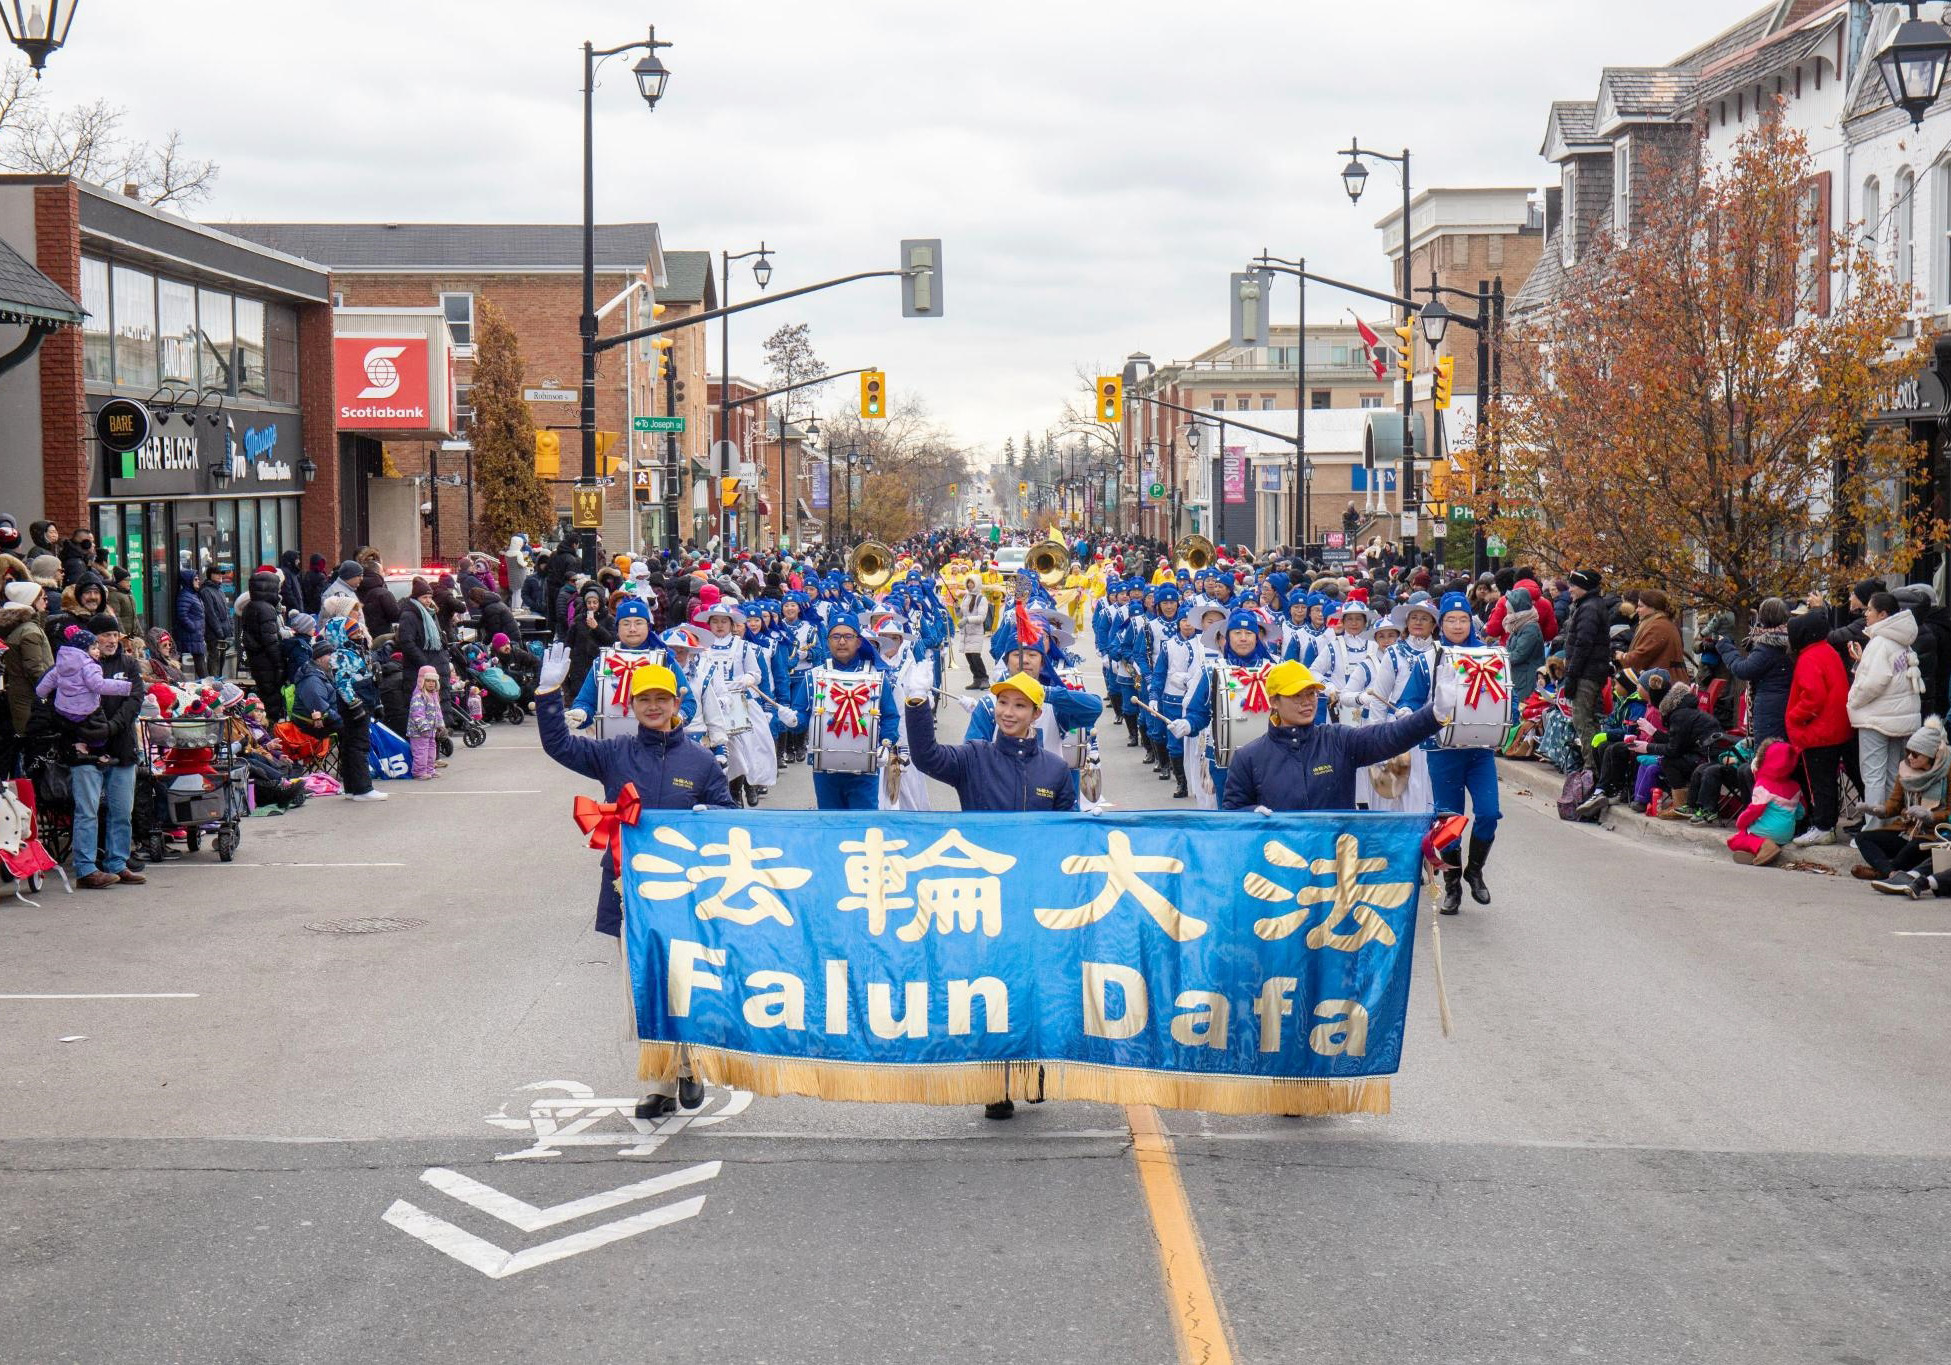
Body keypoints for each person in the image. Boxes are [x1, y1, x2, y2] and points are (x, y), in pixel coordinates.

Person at [535, 641, 736, 1117]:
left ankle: (688, 1065)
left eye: (661, 700)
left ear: (675, 706)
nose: (652, 707)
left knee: (684, 982)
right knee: (643, 985)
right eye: (643, 700)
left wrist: (711, 816)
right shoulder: (615, 753)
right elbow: (559, 745)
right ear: (631, 705)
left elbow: (729, 817)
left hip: (687, 893)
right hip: (628, 889)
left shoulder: (702, 762)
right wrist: (548, 696)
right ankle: (661, 1084)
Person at [903, 667, 1075, 1121]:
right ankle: (995, 1083)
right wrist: (918, 707)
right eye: (1002, 703)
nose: (1008, 712)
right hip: (982, 897)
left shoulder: (1055, 770)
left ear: (1037, 714)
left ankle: (1030, 1068)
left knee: (1031, 988)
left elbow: (1068, 836)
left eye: (1020, 705)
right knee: (988, 990)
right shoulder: (973, 756)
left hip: (1034, 896)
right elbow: (927, 758)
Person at [1221, 660, 1447, 811]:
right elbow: (1232, 813)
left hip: (1335, 864)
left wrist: (1434, 714)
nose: (1306, 702)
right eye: (1296, 695)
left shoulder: (1338, 740)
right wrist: (1252, 813)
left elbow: (1388, 736)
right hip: (1280, 868)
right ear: (1274, 701)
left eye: (1310, 693)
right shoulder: (1249, 757)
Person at [1424, 594, 1504, 913]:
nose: (1457, 625)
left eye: (1462, 619)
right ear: (1441, 624)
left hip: (1479, 750)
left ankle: (1475, 871)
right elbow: (1414, 697)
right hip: (1442, 750)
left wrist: (1502, 725)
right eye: (1450, 620)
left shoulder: (1489, 654)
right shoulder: (1431, 656)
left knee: (1488, 813)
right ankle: (1453, 887)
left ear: (1471, 621)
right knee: (1450, 823)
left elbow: (1504, 694)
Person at [64, 614, 142, 888]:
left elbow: (134, 700)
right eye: (105, 635)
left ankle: (117, 864)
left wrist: (110, 728)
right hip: (86, 748)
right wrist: (89, 731)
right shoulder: (77, 665)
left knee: (121, 810)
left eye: (114, 635)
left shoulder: (129, 664)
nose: (111, 640)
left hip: (121, 745)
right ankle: (86, 869)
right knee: (87, 811)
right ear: (92, 638)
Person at [798, 613, 899, 810]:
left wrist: (886, 744)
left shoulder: (876, 676)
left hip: (864, 769)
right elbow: (801, 716)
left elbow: (890, 716)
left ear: (859, 641)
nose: (842, 642)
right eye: (835, 637)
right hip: (825, 769)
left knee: (864, 825)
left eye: (848, 636)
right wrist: (791, 719)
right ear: (827, 642)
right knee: (830, 822)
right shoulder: (814, 676)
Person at [1847, 591, 1922, 830]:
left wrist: (1853, 700)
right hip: (1899, 719)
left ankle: (1872, 830)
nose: (1865, 614)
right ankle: (1890, 827)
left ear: (1883, 614)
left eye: (1869, 609)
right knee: (1892, 776)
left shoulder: (1880, 642)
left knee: (1873, 777)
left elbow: (1874, 682)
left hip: (1876, 719)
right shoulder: (1903, 641)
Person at [1858, 716, 1951, 895]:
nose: (1910, 758)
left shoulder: (1946, 772)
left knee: (1913, 848)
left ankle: (1883, 873)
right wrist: (1877, 810)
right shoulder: (1906, 770)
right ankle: (1892, 874)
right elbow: (1894, 804)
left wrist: (1930, 816)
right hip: (1905, 830)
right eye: (1908, 752)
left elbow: (1949, 813)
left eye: (1915, 754)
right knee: (1864, 838)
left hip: (1930, 835)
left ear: (1931, 755)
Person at [1786, 607, 1852, 846]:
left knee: (1821, 783)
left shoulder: (1809, 657)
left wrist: (1795, 717)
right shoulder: (1828, 651)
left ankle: (1824, 826)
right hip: (1837, 727)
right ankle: (1827, 825)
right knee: (1829, 781)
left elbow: (1813, 697)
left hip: (1819, 732)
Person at [320, 597, 383, 801]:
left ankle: (352, 787)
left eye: (358, 631)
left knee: (350, 743)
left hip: (363, 697)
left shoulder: (356, 651)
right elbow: (343, 682)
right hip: (355, 701)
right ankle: (363, 788)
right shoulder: (342, 654)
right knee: (358, 743)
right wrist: (354, 704)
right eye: (353, 632)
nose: (358, 634)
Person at [1720, 598, 1792, 744]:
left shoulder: (1767, 646)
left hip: (1770, 709)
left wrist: (1725, 647)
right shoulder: (1789, 641)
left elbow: (1743, 670)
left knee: (1768, 754)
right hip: (1785, 704)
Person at [1725, 738, 1804, 868]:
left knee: (1735, 840)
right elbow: (1801, 812)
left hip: (1766, 831)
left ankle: (1766, 847)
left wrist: (1741, 823)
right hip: (1787, 834)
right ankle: (1759, 852)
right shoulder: (1795, 786)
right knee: (1749, 835)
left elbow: (1754, 811)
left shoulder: (1763, 785)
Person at [0, 580, 52, 777]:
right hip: (30, 702)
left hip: (20, 697)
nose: (45, 602)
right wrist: (50, 693)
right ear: (31, 601)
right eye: (42, 598)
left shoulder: (20, 628)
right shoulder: (30, 631)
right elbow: (35, 669)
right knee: (30, 749)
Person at [1560, 570, 1609, 768]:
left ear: (1585, 587)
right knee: (1588, 721)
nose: (1570, 589)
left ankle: (1592, 769)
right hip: (1590, 671)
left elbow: (1583, 644)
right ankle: (1596, 767)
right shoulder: (1588, 605)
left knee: (1583, 721)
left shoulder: (1589, 608)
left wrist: (1572, 674)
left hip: (1586, 673)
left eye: (1574, 585)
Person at [239, 566, 289, 722]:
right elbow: (270, 641)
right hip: (267, 662)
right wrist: (280, 664)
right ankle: (271, 733)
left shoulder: (250, 606)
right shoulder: (266, 609)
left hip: (257, 660)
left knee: (265, 695)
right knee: (272, 700)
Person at [407, 665, 443, 779]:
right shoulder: (419, 696)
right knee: (421, 752)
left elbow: (438, 712)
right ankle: (419, 772)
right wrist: (425, 727)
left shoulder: (434, 695)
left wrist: (440, 725)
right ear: (422, 681)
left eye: (433, 681)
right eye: (428, 681)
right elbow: (417, 714)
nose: (431, 683)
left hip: (431, 731)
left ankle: (430, 770)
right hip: (418, 732)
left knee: (431, 751)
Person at [174, 568, 207, 677]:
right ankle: (206, 685)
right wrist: (193, 627)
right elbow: (182, 615)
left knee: (200, 662)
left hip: (196, 635)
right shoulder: (185, 595)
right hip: (190, 635)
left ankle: (206, 685)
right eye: (195, 579)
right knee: (199, 663)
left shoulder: (194, 595)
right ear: (189, 581)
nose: (198, 581)